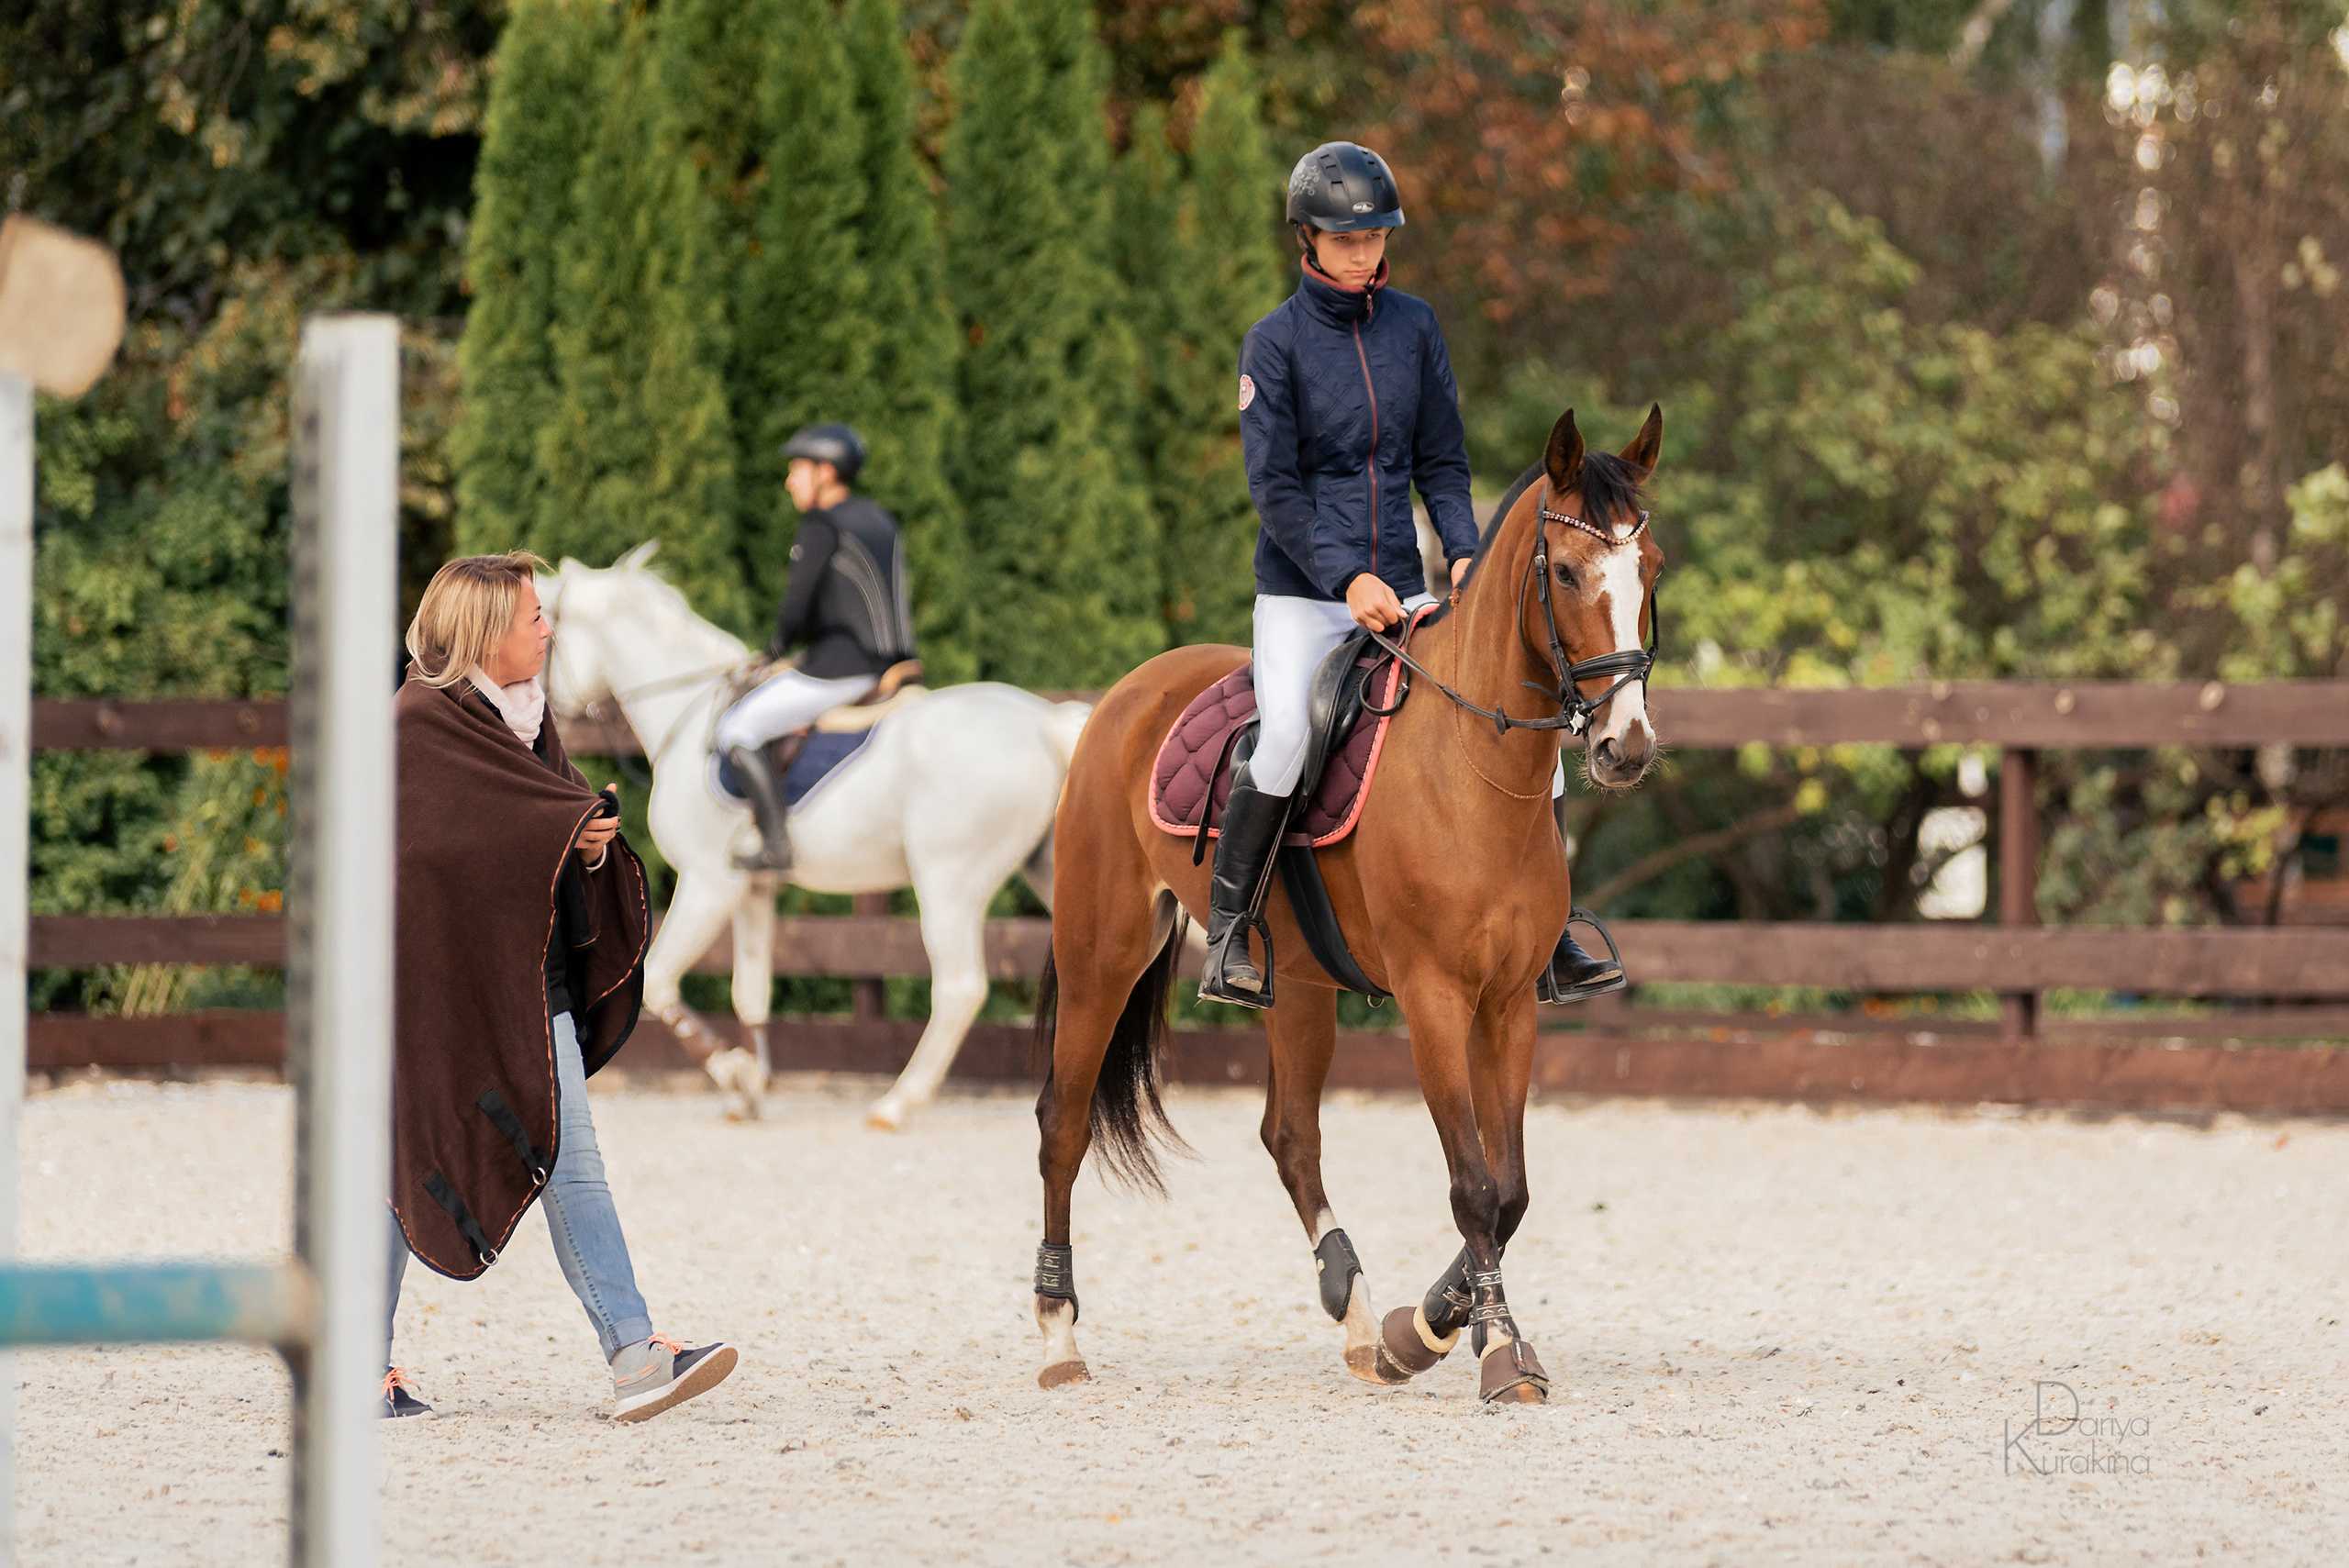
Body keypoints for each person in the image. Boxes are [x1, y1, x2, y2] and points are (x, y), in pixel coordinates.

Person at [1212, 141, 1624, 1007]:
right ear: (1308, 240)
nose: (1364, 254)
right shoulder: (1273, 345)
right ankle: (1231, 929)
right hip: (1303, 594)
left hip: (1405, 583)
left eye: (1375, 238)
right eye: (1345, 240)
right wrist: (1342, 579)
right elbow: (1274, 491)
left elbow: (1441, 457)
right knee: (1287, 734)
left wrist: (1465, 547)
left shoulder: (1415, 326)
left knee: (1526, 722)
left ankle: (1547, 935)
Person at [384, 550, 739, 1423]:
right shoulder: (419, 725)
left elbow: (530, 820)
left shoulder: (528, 718)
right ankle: (629, 1356)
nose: (547, 628)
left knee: (564, 1160)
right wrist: (549, 832)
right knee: (396, 1169)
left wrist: (583, 844)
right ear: (483, 632)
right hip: (432, 985)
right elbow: (427, 855)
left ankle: (629, 1351)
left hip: (527, 980)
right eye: (532, 616)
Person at [716, 422, 918, 873]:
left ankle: (774, 844)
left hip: (841, 669)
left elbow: (797, 606)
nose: (790, 481)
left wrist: (774, 649)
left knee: (738, 729)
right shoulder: (880, 518)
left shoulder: (821, 524)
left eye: (797, 470)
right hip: (893, 666)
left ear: (825, 472)